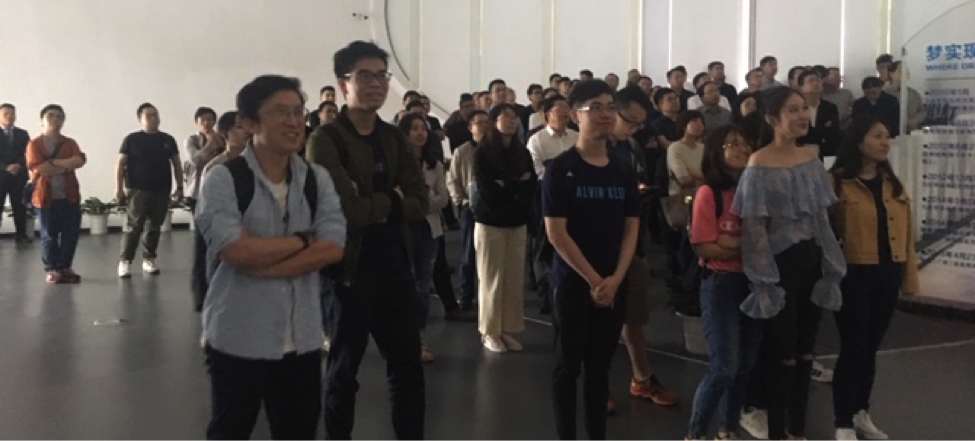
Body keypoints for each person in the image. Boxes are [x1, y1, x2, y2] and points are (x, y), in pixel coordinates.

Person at [195, 75, 346, 441]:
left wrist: (262, 263)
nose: (294, 122)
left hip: (303, 339)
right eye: (281, 113)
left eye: (298, 112)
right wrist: (302, 240)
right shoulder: (223, 179)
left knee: (298, 433)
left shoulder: (316, 179)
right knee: (230, 430)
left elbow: (333, 247)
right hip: (239, 335)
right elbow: (235, 250)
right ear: (250, 123)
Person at [305, 40, 429, 441]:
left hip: (395, 267)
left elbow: (420, 200)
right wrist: (392, 199)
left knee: (407, 368)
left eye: (381, 76)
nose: (377, 83)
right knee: (343, 373)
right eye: (365, 76)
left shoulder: (393, 137)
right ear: (343, 84)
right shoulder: (325, 139)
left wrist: (374, 201)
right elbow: (345, 211)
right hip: (348, 273)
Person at [731, 87, 846, 441]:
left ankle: (798, 430)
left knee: (807, 353)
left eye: (803, 108)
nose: (802, 116)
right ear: (772, 118)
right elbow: (755, 231)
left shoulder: (811, 158)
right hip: (778, 267)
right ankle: (778, 431)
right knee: (782, 356)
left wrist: (832, 262)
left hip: (812, 262)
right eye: (792, 110)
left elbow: (821, 218)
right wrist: (763, 280)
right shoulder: (758, 164)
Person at [544, 79, 641, 441]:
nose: (605, 114)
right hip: (573, 284)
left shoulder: (623, 170)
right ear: (575, 115)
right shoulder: (561, 169)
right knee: (567, 368)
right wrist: (594, 280)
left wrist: (615, 279)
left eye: (610, 107)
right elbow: (556, 233)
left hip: (613, 284)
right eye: (595, 108)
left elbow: (631, 228)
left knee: (600, 370)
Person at [828, 116, 919, 441]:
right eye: (877, 136)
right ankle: (842, 421)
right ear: (858, 140)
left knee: (870, 349)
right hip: (852, 274)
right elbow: (824, 234)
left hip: (887, 273)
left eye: (887, 136)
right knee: (853, 346)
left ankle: (860, 412)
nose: (885, 142)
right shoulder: (837, 182)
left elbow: (906, 235)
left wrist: (909, 279)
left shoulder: (893, 184)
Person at [684, 125, 762, 441]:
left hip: (755, 283)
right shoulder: (709, 194)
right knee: (724, 367)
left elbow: (767, 239)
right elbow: (704, 247)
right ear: (718, 151)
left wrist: (732, 242)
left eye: (745, 143)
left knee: (745, 365)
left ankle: (727, 431)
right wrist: (744, 246)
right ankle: (696, 433)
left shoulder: (755, 191)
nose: (742, 149)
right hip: (722, 284)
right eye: (733, 144)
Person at [611, 85, 680, 411]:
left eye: (639, 123)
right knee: (595, 323)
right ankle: (596, 385)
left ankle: (642, 378)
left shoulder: (632, 148)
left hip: (631, 243)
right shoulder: (588, 153)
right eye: (629, 121)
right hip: (599, 247)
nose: (634, 129)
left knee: (635, 318)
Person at [472, 103, 536, 353]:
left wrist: (508, 185)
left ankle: (506, 328)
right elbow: (489, 191)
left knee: (513, 279)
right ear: (494, 121)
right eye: (506, 116)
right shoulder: (483, 152)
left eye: (514, 117)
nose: (512, 120)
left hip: (517, 221)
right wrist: (516, 185)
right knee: (491, 278)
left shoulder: (522, 152)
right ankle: (489, 331)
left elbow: (531, 185)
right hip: (491, 222)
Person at [398, 113, 448, 363]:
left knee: (422, 286)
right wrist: (418, 202)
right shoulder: (397, 164)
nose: (420, 133)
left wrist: (417, 202)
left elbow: (443, 198)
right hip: (402, 229)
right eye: (414, 128)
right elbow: (395, 197)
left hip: (428, 229)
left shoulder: (434, 164)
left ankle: (418, 336)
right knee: (402, 285)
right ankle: (401, 336)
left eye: (423, 129)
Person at [116, 103, 184, 278]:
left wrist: (180, 187)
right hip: (138, 190)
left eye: (156, 114)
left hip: (161, 189)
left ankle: (149, 258)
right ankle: (125, 261)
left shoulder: (167, 139)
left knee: (154, 226)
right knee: (134, 226)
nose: (154, 118)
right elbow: (120, 165)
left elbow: (176, 164)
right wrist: (119, 189)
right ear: (140, 119)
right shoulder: (132, 139)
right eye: (149, 115)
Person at [26, 105, 86, 284]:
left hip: (70, 196)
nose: (55, 119)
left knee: (71, 234)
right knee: (49, 235)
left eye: (59, 116)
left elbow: (79, 160)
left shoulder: (70, 143)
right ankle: (52, 269)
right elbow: (41, 168)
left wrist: (53, 162)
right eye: (51, 115)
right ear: (42, 120)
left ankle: (65, 266)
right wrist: (66, 165)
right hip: (45, 198)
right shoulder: (35, 144)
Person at [447, 110, 490, 312]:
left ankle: (487, 294)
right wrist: (461, 201)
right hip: (469, 208)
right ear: (470, 127)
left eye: (487, 122)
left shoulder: (496, 149)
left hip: (492, 208)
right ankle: (466, 295)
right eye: (479, 123)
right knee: (468, 254)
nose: (484, 127)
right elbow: (453, 180)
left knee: (490, 255)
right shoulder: (462, 152)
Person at [0, 103, 32, 243]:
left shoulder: (22, 134)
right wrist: (6, 167)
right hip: (1, 176)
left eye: (12, 114)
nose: (10, 117)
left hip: (18, 176)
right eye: (6, 114)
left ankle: (21, 235)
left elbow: (28, 153)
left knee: (20, 206)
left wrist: (18, 165)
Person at [797, 71, 841, 158]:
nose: (815, 83)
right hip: (799, 151)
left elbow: (834, 133)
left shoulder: (830, 107)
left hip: (826, 152)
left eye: (818, 80)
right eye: (811, 81)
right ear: (801, 87)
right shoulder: (796, 108)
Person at [183, 107, 223, 202]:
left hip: (218, 187)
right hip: (196, 189)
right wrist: (210, 143)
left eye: (209, 120)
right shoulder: (191, 140)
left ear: (214, 122)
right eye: (202, 120)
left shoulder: (222, 139)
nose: (206, 123)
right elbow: (196, 160)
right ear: (196, 122)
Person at [202, 111, 250, 176]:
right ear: (224, 132)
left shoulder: (258, 161)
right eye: (239, 127)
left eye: (248, 126)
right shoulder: (214, 167)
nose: (246, 131)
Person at [884, 61, 924, 133]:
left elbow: (922, 111)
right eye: (901, 71)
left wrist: (916, 120)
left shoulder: (914, 94)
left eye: (906, 70)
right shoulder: (884, 94)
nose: (905, 73)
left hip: (912, 132)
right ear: (891, 74)